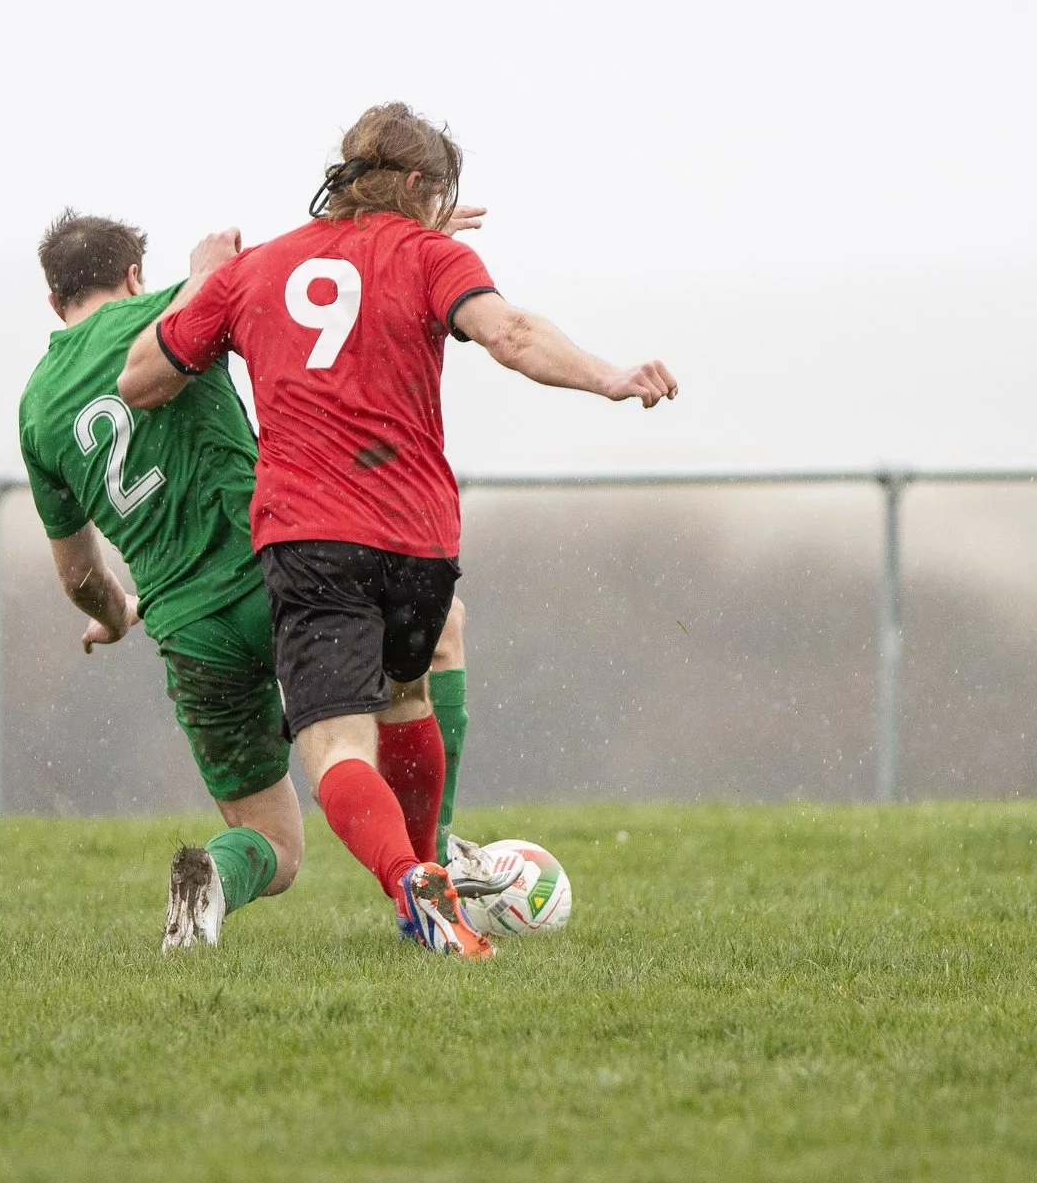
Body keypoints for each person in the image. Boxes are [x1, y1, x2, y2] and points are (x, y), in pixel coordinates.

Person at [121, 103, 676, 958]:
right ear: (419, 185)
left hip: (311, 539)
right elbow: (513, 333)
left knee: (336, 745)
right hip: (418, 541)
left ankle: (408, 882)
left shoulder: (263, 267)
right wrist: (608, 377)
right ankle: (429, 882)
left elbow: (143, 380)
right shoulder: (432, 256)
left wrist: (206, 292)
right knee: (407, 697)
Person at [19, 211, 490, 950]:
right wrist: (407, 225)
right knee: (436, 634)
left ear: (54, 303)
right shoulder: (176, 304)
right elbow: (309, 265)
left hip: (188, 630)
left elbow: (78, 574)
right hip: (279, 577)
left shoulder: (37, 407)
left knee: (276, 845)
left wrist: (114, 615)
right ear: (134, 276)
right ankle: (433, 863)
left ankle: (212, 876)